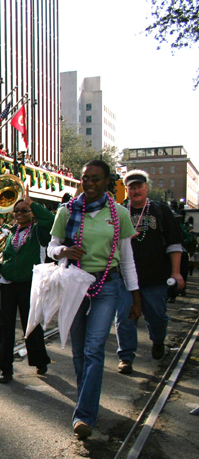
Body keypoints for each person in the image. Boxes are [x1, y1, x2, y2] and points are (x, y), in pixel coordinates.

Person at [47, 160, 140, 439]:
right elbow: (50, 249)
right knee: (79, 352)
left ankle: (85, 415)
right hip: (75, 284)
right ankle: (86, 401)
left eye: (96, 179)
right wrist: (64, 250)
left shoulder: (120, 214)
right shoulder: (67, 211)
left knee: (94, 349)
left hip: (107, 286)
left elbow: (128, 259)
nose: (89, 183)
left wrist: (136, 298)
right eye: (85, 178)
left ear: (107, 181)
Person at [115, 170, 184, 374]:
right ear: (126, 190)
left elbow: (174, 244)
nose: (136, 190)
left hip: (155, 277)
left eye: (139, 186)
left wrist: (176, 273)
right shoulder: (119, 212)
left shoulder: (160, 210)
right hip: (125, 277)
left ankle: (158, 340)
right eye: (131, 187)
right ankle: (126, 356)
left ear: (146, 188)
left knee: (157, 316)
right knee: (125, 317)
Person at [0, 186, 54, 383]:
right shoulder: (11, 232)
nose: (19, 214)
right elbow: (7, 256)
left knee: (31, 325)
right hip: (8, 285)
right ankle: (5, 368)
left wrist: (33, 203)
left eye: (24, 210)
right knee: (5, 327)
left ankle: (40, 360)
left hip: (28, 284)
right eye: (16, 210)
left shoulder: (38, 230)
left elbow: (49, 220)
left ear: (32, 213)